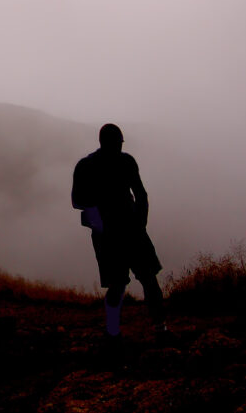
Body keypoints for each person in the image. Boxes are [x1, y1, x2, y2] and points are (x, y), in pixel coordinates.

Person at [72, 123, 167, 339]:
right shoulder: (122, 162)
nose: (118, 147)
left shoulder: (89, 165)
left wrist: (101, 223)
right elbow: (141, 196)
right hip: (124, 230)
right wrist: (139, 221)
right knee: (139, 280)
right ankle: (152, 328)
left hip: (117, 231)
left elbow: (79, 201)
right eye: (117, 143)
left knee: (127, 282)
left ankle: (117, 331)